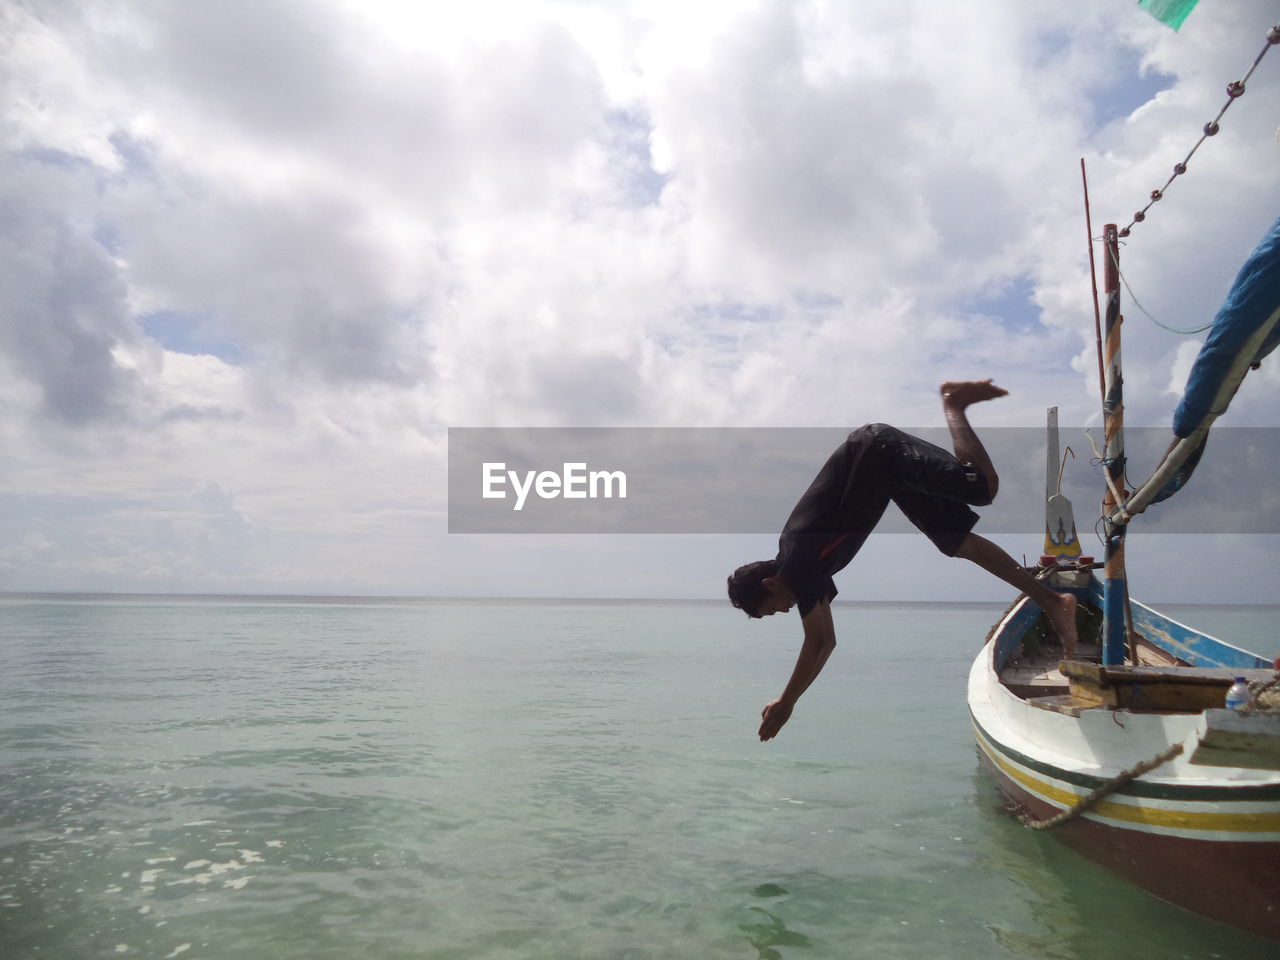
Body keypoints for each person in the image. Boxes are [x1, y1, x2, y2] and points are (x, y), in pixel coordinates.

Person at [727, 380, 1078, 742]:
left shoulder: (797, 560)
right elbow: (827, 641)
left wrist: (786, 703)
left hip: (880, 452)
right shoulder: (804, 564)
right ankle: (1053, 602)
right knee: (957, 543)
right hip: (887, 479)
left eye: (774, 608)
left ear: (770, 584)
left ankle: (953, 403)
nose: (784, 611)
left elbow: (816, 641)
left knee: (981, 488)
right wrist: (790, 702)